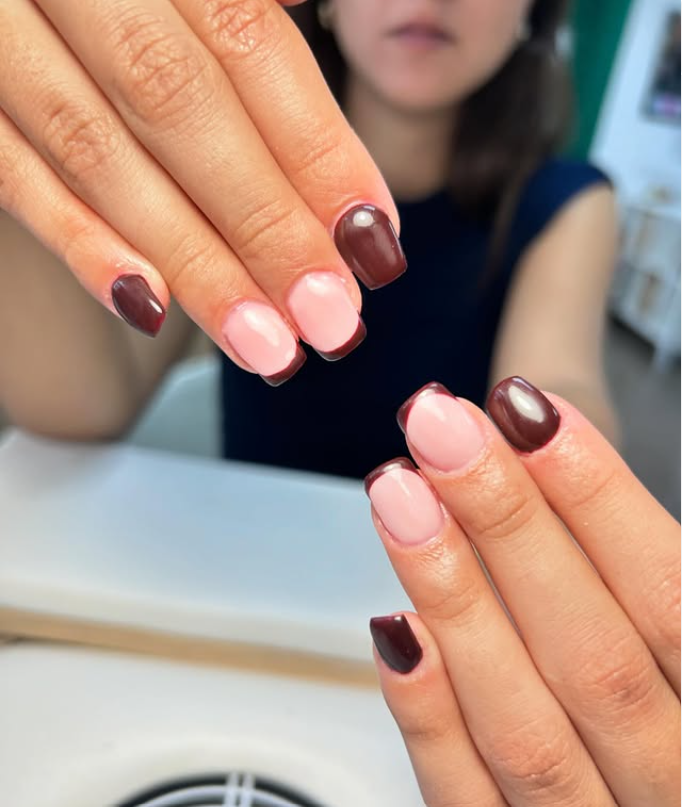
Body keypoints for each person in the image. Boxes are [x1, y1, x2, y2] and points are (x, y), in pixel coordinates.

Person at [0, 1, 678, 803]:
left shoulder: (567, 198)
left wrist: (560, 456)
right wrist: (31, 168)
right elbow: (79, 404)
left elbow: (561, 376)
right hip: (224, 594)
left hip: (440, 620)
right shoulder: (199, 166)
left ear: (534, 12)